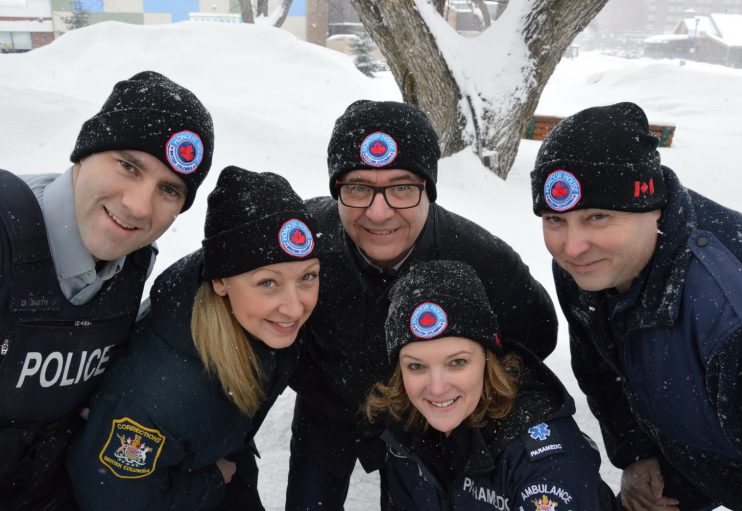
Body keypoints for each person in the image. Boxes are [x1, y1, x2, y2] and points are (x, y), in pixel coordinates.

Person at [287, 99, 558, 510]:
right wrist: (308, 374)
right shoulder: (301, 239)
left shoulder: (480, 259)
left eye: (401, 188)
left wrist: (463, 398)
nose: (379, 212)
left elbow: (536, 334)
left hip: (427, 418)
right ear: (336, 191)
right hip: (327, 408)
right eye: (358, 187)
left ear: (428, 189)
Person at [529, 102, 742, 511]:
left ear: (651, 206)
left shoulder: (737, 316)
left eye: (598, 217)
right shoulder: (587, 266)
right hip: (695, 449)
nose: (572, 247)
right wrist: (636, 451)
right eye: (555, 220)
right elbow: (600, 367)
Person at [0, 70, 214, 510]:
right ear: (83, 155)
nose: (138, 206)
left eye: (169, 191)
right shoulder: (7, 235)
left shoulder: (131, 267)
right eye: (128, 166)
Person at [66, 167, 320, 510]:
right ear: (220, 283)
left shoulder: (255, 321)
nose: (294, 308)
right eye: (268, 283)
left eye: (307, 276)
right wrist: (215, 478)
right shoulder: (157, 397)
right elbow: (112, 498)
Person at [365, 259, 616, 510]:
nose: (437, 388)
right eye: (416, 366)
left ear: (488, 359)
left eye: (457, 362)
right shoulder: (405, 431)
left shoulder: (544, 458)